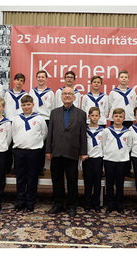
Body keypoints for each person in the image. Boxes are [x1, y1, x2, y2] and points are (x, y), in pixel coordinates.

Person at [46, 87, 88, 217]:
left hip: (72, 152)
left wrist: (83, 152)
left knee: (72, 180)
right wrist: (48, 150)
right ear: (61, 96)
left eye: (70, 94)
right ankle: (58, 204)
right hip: (56, 151)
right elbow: (50, 133)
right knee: (56, 180)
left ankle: (72, 205)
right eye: (65, 94)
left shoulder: (81, 113)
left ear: (74, 97)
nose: (67, 96)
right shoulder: (54, 113)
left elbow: (83, 134)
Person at [12, 95, 48, 212]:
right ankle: (20, 201)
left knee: (32, 177)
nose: (26, 107)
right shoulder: (17, 119)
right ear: (21, 106)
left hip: (34, 152)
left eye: (28, 104)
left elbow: (44, 133)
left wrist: (35, 143)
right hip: (19, 151)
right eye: (23, 105)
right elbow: (13, 134)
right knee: (20, 177)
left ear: (33, 105)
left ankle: (30, 202)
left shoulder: (39, 119)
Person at [102, 108, 132, 214]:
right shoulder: (106, 131)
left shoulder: (128, 132)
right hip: (109, 160)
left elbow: (129, 146)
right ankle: (110, 204)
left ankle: (119, 205)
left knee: (120, 184)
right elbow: (103, 144)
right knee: (109, 183)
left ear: (124, 118)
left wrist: (122, 154)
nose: (118, 118)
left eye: (120, 117)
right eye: (116, 116)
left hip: (122, 160)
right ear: (112, 117)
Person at [29, 70, 54, 176]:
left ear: (46, 78)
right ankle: (34, 166)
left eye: (43, 77)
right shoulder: (32, 92)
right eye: (39, 77)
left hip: (46, 119)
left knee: (44, 145)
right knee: (35, 142)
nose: (41, 79)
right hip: (35, 119)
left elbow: (53, 107)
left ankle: (41, 167)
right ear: (36, 78)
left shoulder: (50, 93)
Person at [82, 107, 104, 213]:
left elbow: (104, 145)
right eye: (92, 115)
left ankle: (96, 204)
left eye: (96, 115)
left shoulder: (103, 131)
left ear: (99, 117)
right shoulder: (85, 130)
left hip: (98, 159)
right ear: (88, 116)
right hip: (87, 159)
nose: (94, 117)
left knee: (97, 183)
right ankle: (87, 203)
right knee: (87, 182)